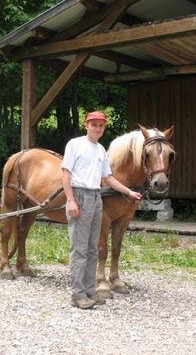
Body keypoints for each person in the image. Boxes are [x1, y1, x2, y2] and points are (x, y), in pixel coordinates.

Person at [61, 111, 142, 309]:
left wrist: (128, 192)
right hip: (79, 195)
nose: (97, 128)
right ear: (86, 125)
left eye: (101, 126)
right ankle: (78, 295)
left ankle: (90, 291)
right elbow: (65, 173)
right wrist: (71, 200)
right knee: (79, 249)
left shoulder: (100, 150)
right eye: (94, 124)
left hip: (97, 196)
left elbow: (108, 178)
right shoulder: (75, 144)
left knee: (92, 249)